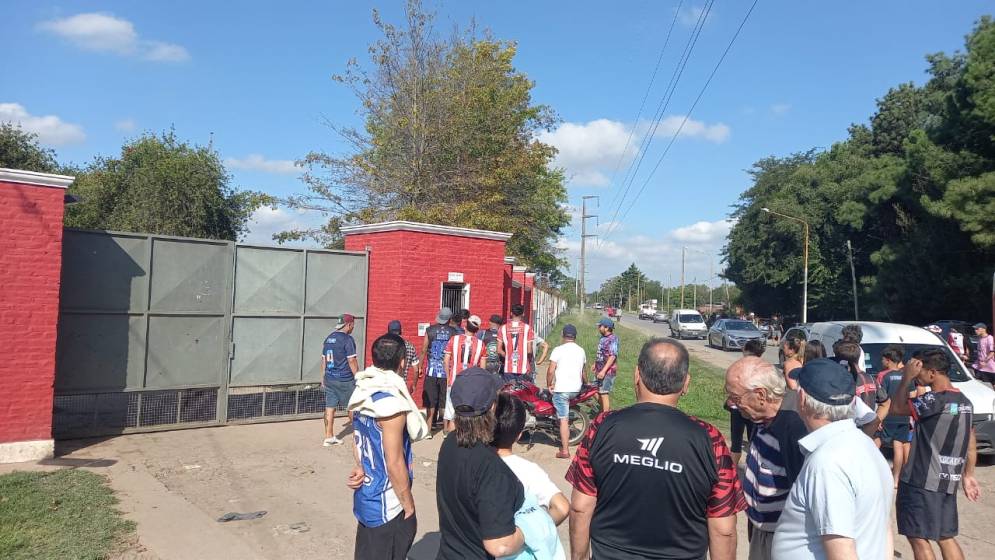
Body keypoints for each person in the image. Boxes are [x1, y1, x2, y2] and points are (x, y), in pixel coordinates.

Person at [568, 338, 745, 560]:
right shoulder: (711, 440)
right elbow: (723, 529)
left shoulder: (601, 427)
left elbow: (580, 507)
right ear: (686, 384)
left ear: (636, 375)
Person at [771, 358, 894, 560]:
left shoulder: (827, 463)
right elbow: (883, 528)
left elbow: (842, 552)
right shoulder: (866, 445)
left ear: (801, 400)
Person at [889, 349, 981, 560]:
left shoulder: (933, 401)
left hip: (920, 479)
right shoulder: (965, 401)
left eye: (920, 371)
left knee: (918, 537)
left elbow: (896, 407)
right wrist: (968, 474)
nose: (917, 375)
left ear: (932, 373)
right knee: (945, 535)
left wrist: (905, 378)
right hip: (948, 480)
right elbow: (970, 441)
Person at [346, 333, 429, 560]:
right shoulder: (392, 404)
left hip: (366, 496)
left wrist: (361, 466)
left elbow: (358, 438)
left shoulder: (361, 391)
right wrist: (408, 505)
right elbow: (394, 462)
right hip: (387, 503)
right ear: (402, 362)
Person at [436, 367, 526, 559]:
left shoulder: (450, 443)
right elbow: (499, 545)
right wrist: (526, 533)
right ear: (493, 406)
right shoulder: (491, 467)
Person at [724, 357, 807, 560]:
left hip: (782, 540)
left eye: (735, 397)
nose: (731, 404)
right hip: (763, 532)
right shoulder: (762, 418)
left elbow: (805, 496)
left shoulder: (792, 427)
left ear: (760, 395)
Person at [494, 393, 568, 560]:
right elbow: (562, 507)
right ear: (519, 434)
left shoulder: (475, 466)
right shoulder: (530, 470)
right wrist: (531, 530)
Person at [545, 324, 587, 459]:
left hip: (562, 391)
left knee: (564, 420)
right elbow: (583, 372)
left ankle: (564, 451)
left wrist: (549, 384)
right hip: (576, 389)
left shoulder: (558, 350)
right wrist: (585, 384)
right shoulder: (581, 350)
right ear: (575, 337)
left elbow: (551, 370)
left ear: (563, 335)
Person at [834, 340, 890, 439]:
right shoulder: (871, 379)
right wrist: (873, 424)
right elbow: (886, 403)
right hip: (868, 436)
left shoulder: (844, 381)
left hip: (849, 435)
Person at [442, 318, 486, 434]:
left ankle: (450, 436)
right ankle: (466, 435)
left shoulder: (454, 339)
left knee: (452, 412)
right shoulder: (481, 345)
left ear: (465, 327)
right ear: (477, 330)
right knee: (467, 411)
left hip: (454, 379)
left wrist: (448, 377)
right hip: (471, 383)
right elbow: (482, 368)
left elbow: (446, 361)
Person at [877, 345, 912, 488]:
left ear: (888, 360)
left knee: (877, 442)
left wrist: (878, 417)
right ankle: (897, 479)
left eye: (883, 359)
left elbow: (880, 399)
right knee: (899, 446)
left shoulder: (883, 376)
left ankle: (876, 473)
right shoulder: (907, 376)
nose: (881, 361)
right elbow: (913, 396)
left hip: (888, 416)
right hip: (903, 416)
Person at [322, 314, 360, 446]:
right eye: (353, 325)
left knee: (330, 407)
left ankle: (328, 436)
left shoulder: (329, 338)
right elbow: (351, 360)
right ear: (348, 325)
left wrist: (323, 377)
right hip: (345, 379)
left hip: (329, 377)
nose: (353, 327)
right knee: (353, 406)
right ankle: (359, 433)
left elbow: (324, 359)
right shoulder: (347, 339)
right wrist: (358, 377)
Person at [421, 307, 458, 437]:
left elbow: (424, 349)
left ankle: (428, 429)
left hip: (431, 371)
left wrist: (420, 366)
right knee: (445, 400)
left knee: (430, 400)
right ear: (449, 319)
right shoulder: (454, 332)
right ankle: (445, 429)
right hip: (446, 371)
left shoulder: (430, 330)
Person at [498, 304, 536, 382]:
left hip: (508, 367)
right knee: (522, 392)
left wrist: (509, 356)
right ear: (523, 314)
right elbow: (529, 350)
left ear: (511, 313)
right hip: (523, 367)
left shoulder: (503, 328)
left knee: (509, 392)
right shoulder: (527, 328)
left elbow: (499, 350)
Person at [592, 317, 619, 412]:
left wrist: (603, 371)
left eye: (600, 326)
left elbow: (612, 356)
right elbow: (601, 353)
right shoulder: (602, 338)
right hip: (599, 370)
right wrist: (595, 363)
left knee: (603, 393)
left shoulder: (613, 339)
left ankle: (605, 416)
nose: (598, 328)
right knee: (593, 390)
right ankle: (606, 410)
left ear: (607, 328)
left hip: (607, 372)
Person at [387, 320, 420, 394]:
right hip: (402, 385)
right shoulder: (410, 346)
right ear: (401, 330)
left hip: (388, 385)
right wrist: (414, 385)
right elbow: (416, 370)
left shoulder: (386, 347)